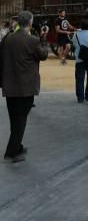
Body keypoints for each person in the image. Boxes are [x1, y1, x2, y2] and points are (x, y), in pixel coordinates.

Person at [0, 11, 48, 162]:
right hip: (25, 87)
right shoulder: (32, 40)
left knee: (14, 118)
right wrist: (44, 38)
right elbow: (43, 55)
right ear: (31, 23)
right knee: (20, 120)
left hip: (9, 86)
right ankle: (11, 153)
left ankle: (17, 146)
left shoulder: (7, 38)